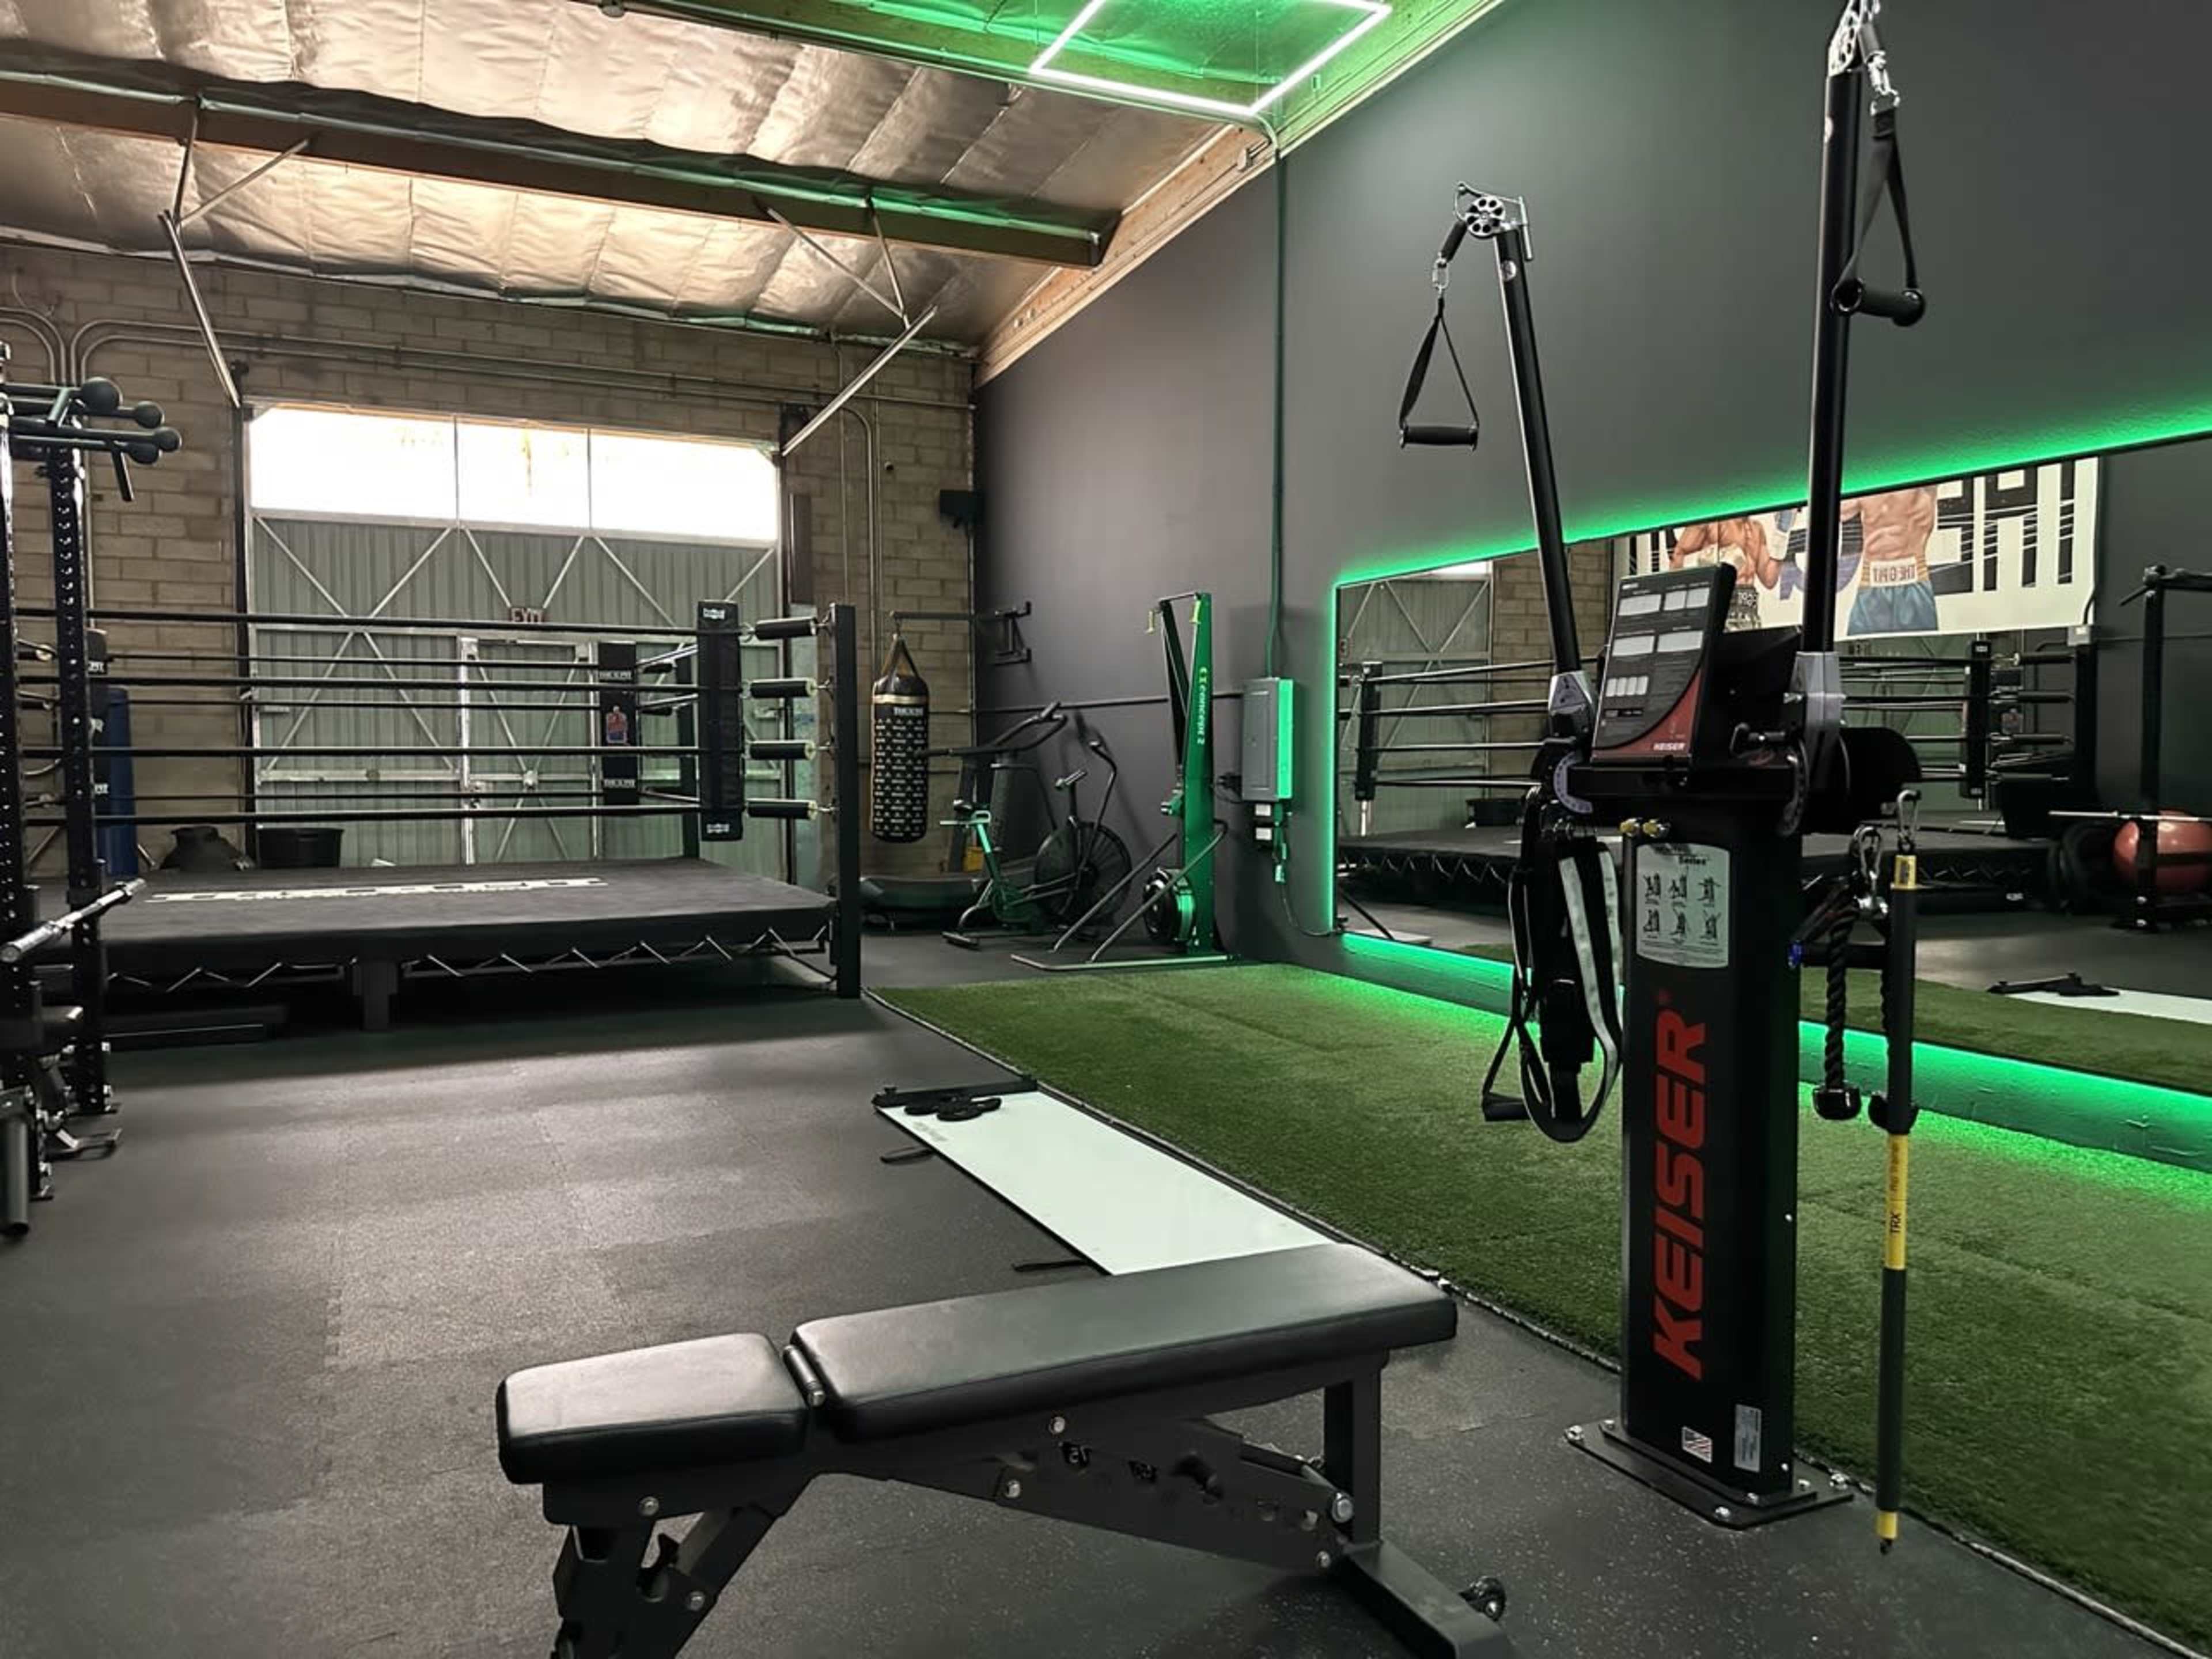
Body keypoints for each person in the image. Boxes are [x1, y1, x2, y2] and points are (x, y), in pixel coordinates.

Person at [1842, 484, 1940, 635]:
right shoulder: (1867, 476)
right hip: (1871, 583)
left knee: (1921, 657)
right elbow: (1838, 510)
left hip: (1913, 580)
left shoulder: (1922, 468)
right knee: (1857, 655)